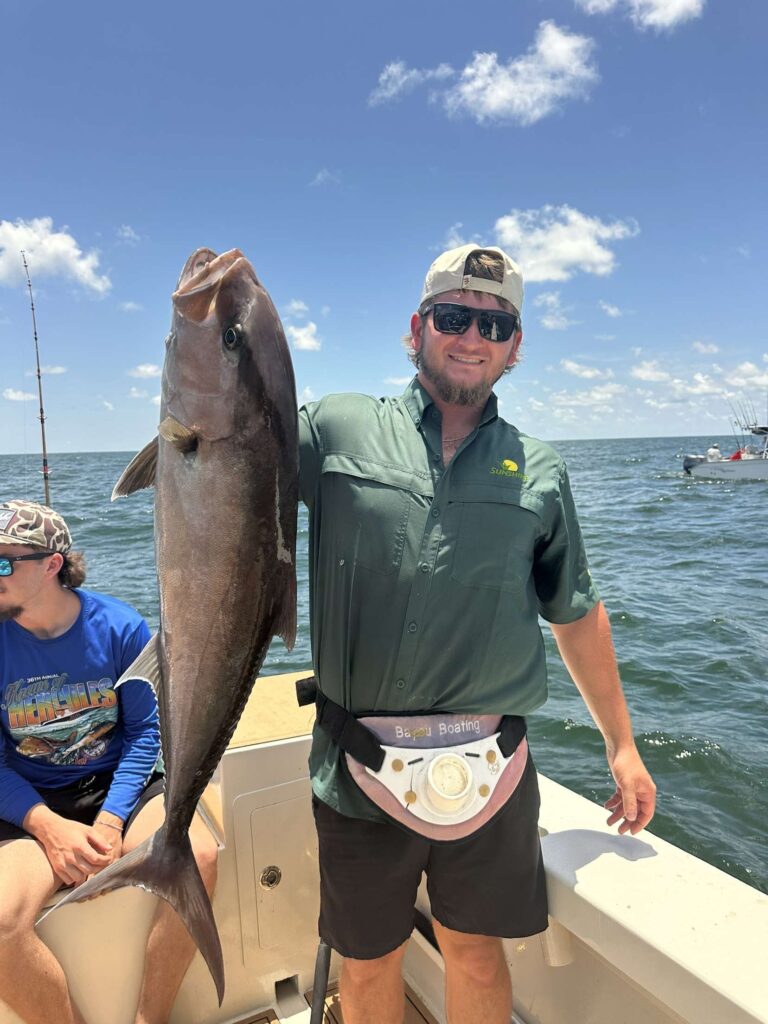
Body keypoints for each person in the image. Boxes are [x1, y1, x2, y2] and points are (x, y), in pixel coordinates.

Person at [298, 245, 656, 1024]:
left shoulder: (541, 469)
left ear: (515, 346)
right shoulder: (332, 427)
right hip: (358, 765)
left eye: (494, 325)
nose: (472, 337)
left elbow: (576, 611)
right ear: (417, 327)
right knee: (366, 964)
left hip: (490, 767)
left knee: (477, 955)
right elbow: (224, 462)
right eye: (454, 317)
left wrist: (622, 745)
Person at [0, 500, 218, 1024]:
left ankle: (149, 1018)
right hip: (30, 798)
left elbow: (145, 732)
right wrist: (49, 828)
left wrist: (111, 820)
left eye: (3, 562)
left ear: (51, 565)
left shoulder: (121, 627)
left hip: (116, 783)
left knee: (200, 856)